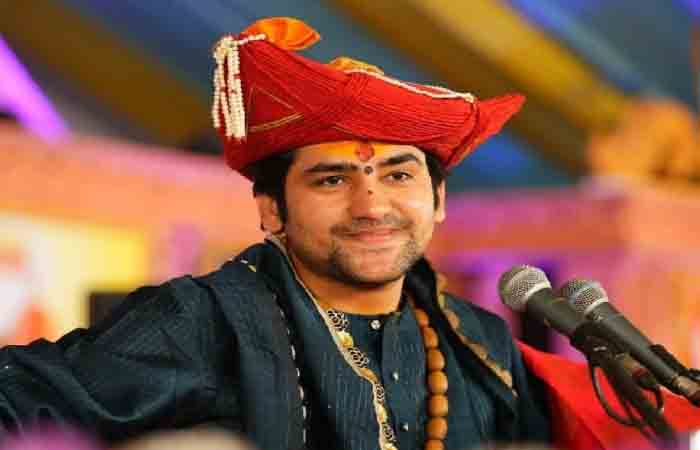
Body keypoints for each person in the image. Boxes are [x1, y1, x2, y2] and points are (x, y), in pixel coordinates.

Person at [0, 17, 552, 450]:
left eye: (399, 175)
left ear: (439, 200)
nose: (371, 205)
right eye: (332, 179)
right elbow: (20, 401)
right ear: (271, 210)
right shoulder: (204, 321)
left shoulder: (480, 340)